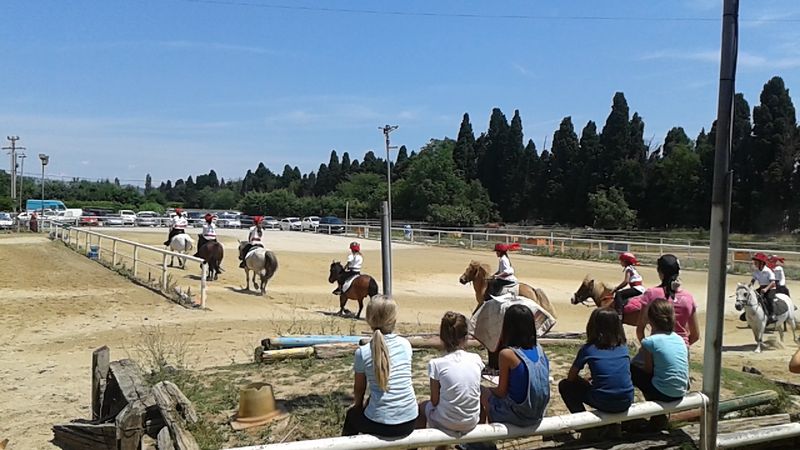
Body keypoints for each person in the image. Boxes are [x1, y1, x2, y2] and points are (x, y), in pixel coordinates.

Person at [342, 295, 417, 437]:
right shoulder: (405, 345)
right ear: (393, 320)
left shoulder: (362, 353)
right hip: (409, 420)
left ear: (369, 320)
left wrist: (358, 407)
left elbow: (359, 390)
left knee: (352, 416)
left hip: (379, 423)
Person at [559, 308, 633, 439]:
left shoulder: (588, 349)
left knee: (565, 386)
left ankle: (587, 427)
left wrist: (583, 381)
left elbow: (571, 378)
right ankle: (614, 426)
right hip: (626, 399)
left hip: (604, 400)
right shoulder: (623, 347)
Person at [416, 312, 484, 440]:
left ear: (442, 337)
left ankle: (416, 445)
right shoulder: (476, 359)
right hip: (471, 421)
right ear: (466, 337)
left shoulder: (436, 364)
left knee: (421, 408)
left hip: (446, 421)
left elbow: (434, 401)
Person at [480, 304, 551, 427]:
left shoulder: (507, 354)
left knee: (479, 391)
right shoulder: (540, 350)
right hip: (538, 413)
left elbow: (501, 392)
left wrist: (487, 389)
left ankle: (480, 442)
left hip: (518, 415)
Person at [631, 298, 689, 430]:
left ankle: (627, 415)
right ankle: (657, 418)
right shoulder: (679, 339)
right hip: (680, 391)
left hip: (663, 393)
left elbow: (648, 370)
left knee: (629, 369)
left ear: (650, 320)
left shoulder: (649, 342)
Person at [636, 254, 701, 348]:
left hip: (657, 346)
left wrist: (647, 349)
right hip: (681, 349)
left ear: (659, 271)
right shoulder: (688, 298)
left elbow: (640, 329)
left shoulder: (651, 294)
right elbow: (695, 335)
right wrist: (681, 348)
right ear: (678, 272)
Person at [613, 252, 646, 318]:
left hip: (637, 289)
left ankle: (619, 314)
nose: (620, 262)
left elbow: (626, 281)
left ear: (625, 261)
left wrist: (617, 288)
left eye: (621, 261)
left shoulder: (628, 269)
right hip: (640, 289)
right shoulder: (633, 268)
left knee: (619, 294)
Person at [750, 252, 777, 323]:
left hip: (770, 288)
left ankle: (772, 315)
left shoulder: (768, 271)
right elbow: (753, 280)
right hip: (762, 288)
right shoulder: (756, 271)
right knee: (750, 296)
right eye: (754, 261)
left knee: (769, 299)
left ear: (761, 263)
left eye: (756, 262)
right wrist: (749, 286)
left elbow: (773, 282)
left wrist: (766, 289)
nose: (754, 263)